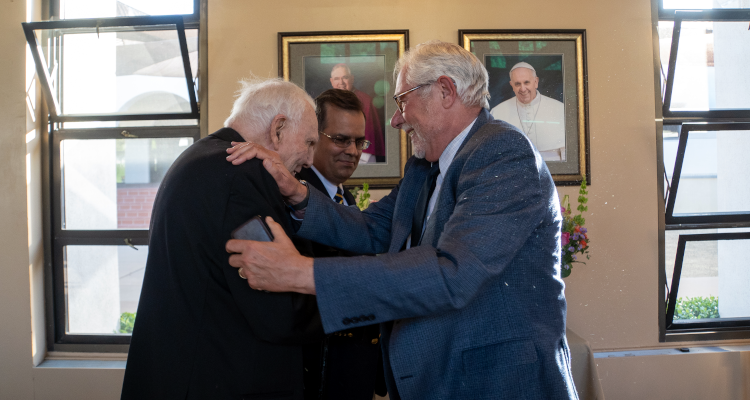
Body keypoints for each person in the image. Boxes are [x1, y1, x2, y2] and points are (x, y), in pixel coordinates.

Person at [226, 41, 578, 400]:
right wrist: (296, 192)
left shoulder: (503, 153)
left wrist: (299, 273)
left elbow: (452, 273)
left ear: (444, 91)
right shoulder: (424, 167)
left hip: (494, 383)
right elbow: (373, 229)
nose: (395, 120)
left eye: (402, 101)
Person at [121, 78, 324, 400]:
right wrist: (345, 293)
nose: (311, 160)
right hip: (222, 380)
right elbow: (279, 310)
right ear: (279, 129)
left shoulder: (202, 157)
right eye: (310, 142)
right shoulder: (242, 175)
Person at [298, 88, 386, 400]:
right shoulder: (296, 200)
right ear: (313, 136)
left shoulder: (344, 198)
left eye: (359, 142)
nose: (352, 150)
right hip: (317, 377)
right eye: (340, 139)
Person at [490, 61, 566, 161]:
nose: (523, 89)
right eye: (517, 84)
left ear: (536, 82)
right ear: (511, 85)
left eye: (526, 82)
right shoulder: (497, 112)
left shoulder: (560, 109)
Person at [329, 63, 385, 163]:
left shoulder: (365, 100)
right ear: (332, 81)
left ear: (352, 79)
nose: (341, 82)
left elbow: (369, 133)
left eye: (345, 77)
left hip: (360, 157)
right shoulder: (327, 102)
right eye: (337, 78)